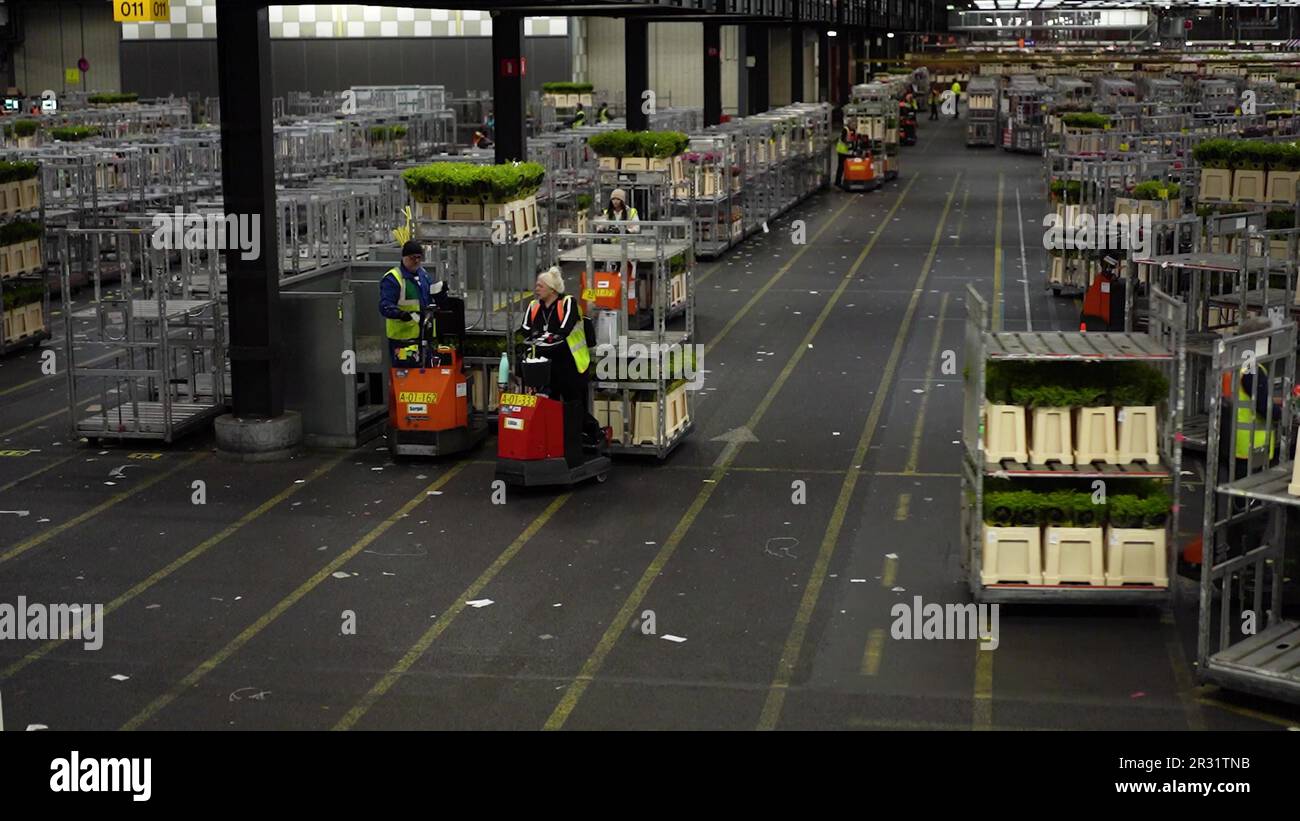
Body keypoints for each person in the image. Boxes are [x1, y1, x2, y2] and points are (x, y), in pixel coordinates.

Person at [520, 267, 603, 445]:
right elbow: (525, 329)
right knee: (550, 403)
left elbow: (564, 329)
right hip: (546, 365)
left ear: (552, 289)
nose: (536, 289)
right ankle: (556, 439)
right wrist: (539, 336)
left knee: (574, 404)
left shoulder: (567, 303)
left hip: (570, 364)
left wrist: (547, 336)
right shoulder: (534, 307)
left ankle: (591, 433)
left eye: (540, 286)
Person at [379, 240, 448, 366]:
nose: (416, 261)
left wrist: (440, 294)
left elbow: (431, 299)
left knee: (426, 377)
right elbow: (385, 306)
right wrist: (400, 314)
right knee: (406, 378)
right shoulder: (393, 278)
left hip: (424, 336)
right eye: (412, 258)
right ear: (404, 257)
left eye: (419, 257)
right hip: (403, 341)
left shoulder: (423, 274)